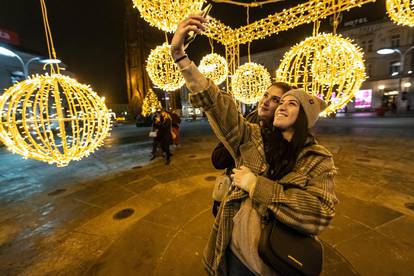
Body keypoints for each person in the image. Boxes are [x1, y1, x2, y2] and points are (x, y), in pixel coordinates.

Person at [171, 14, 338, 276]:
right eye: (278, 102)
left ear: (305, 118)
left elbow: (319, 213)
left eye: (288, 102)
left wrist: (255, 185)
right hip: (232, 251)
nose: (279, 106)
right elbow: (217, 103)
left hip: (274, 262)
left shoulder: (317, 159)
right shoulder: (253, 136)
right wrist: (181, 57)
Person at [211, 82, 294, 217]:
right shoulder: (245, 123)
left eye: (275, 100)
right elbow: (217, 160)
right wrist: (240, 139)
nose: (265, 102)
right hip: (230, 196)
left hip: (257, 208)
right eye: (265, 95)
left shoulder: (284, 137)